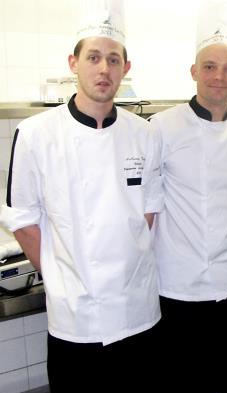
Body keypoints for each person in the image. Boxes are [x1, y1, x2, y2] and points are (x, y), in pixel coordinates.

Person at [0, 1, 163, 391]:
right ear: (74, 63)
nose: (103, 68)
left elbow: (149, 212)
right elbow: (21, 219)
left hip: (139, 313)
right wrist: (60, 278)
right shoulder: (36, 134)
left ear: (126, 68)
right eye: (93, 57)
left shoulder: (145, 133)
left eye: (113, 59)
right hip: (75, 321)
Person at [148, 6, 227, 392]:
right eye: (209, 66)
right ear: (193, 71)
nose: (219, 77)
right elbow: (144, 207)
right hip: (177, 288)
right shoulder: (161, 127)